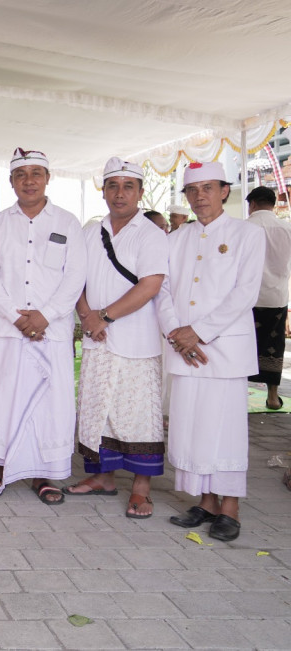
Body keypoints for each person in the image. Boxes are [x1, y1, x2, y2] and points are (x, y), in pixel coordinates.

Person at [159, 161, 264, 542]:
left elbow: (245, 293)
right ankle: (205, 502)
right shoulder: (175, 239)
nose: (200, 196)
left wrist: (198, 333)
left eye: (208, 188)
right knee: (191, 425)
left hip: (224, 348)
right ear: (185, 196)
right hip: (183, 347)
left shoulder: (247, 234)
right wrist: (176, 332)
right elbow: (163, 291)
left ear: (225, 191)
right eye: (192, 190)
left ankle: (230, 506)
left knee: (226, 428)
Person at [0, 148, 86, 503]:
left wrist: (45, 315)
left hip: (50, 331)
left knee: (49, 402)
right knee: (2, 397)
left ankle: (45, 473)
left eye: (36, 173)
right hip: (7, 329)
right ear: (11, 182)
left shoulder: (67, 222)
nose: (29, 181)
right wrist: (16, 315)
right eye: (21, 175)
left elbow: (76, 276)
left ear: (48, 178)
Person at [66, 158, 168, 518]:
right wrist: (86, 317)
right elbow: (74, 279)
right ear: (103, 191)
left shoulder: (151, 234)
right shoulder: (89, 232)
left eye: (128, 186)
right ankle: (102, 478)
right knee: (98, 409)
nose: (119, 193)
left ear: (140, 192)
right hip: (97, 337)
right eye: (112, 186)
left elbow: (151, 284)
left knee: (137, 413)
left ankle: (141, 489)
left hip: (136, 339)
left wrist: (104, 316)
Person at [245, 186, 291, 410]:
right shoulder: (287, 228)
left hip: (247, 298)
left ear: (252, 204)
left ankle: (239, 393)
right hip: (277, 296)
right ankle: (272, 396)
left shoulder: (245, 227)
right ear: (272, 204)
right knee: (274, 344)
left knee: (244, 343)